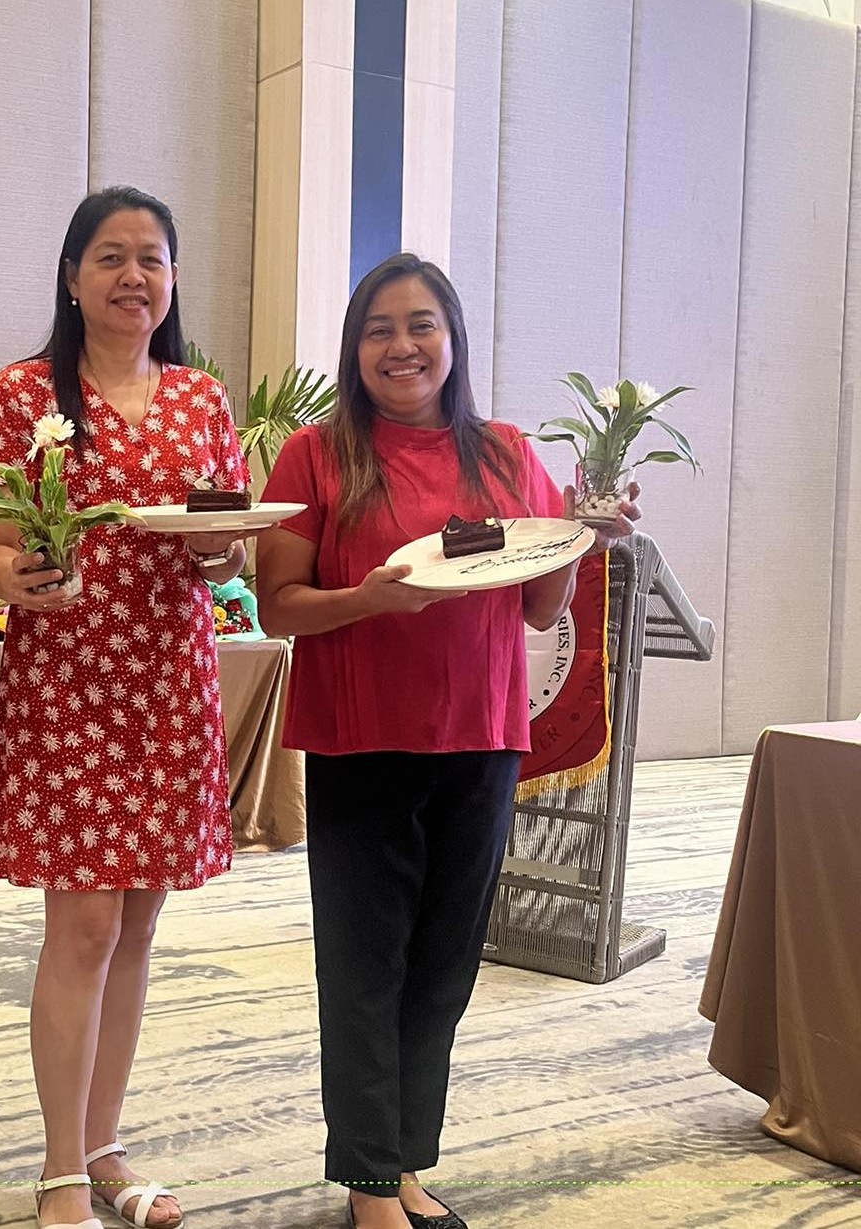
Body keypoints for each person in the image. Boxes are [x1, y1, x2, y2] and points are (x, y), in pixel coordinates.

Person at [254, 252, 640, 1229]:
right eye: (379, 328)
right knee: (365, 964)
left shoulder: (505, 453)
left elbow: (539, 604)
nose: (402, 345)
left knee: (443, 964)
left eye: (421, 324)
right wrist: (368, 598)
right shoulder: (317, 453)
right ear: (355, 348)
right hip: (360, 740)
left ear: (453, 339)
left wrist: (583, 535)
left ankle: (403, 1162)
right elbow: (279, 604)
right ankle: (368, 1181)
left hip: (480, 736)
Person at [0, 186, 249, 1229]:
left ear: (172, 278)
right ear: (73, 277)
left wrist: (223, 555)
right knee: (83, 924)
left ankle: (102, 1144)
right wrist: (12, 572)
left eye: (152, 258)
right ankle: (59, 1168)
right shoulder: (23, 394)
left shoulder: (202, 399)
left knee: (136, 925)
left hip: (168, 681)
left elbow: (228, 542)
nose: (134, 276)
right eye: (111, 256)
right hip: (68, 682)